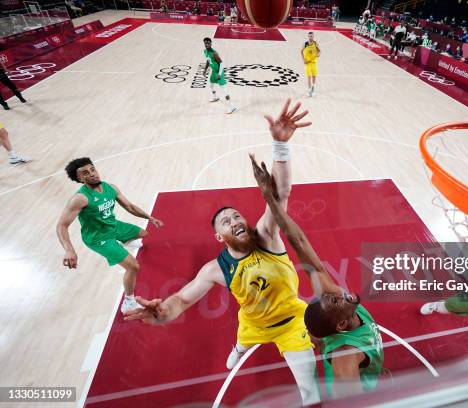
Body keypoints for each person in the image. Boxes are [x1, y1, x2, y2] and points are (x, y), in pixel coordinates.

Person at [124, 100, 321, 406]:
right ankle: (239, 349)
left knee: (312, 395)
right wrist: (162, 313)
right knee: (242, 344)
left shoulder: (267, 236)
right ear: (220, 236)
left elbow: (280, 195)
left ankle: (252, 350)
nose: (236, 221)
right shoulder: (215, 269)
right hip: (253, 324)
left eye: (237, 216)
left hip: (292, 322)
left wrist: (280, 146)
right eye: (226, 222)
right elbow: (181, 300)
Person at [249, 155, 384, 399]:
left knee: (319, 337)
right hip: (360, 390)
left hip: (342, 345)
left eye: (332, 296)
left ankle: (324, 344)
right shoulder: (345, 357)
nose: (337, 293)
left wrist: (269, 198)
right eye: (335, 301)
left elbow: (299, 241)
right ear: (341, 325)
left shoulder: (340, 306)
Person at [56, 158, 164, 314]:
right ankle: (128, 302)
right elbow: (61, 225)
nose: (92, 174)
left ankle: (122, 243)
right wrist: (69, 250)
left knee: (143, 233)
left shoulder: (110, 188)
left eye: (92, 169)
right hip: (98, 238)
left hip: (113, 226)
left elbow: (129, 206)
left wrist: (149, 217)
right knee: (133, 266)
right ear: (79, 179)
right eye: (86, 173)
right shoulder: (80, 199)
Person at [203, 37, 236, 114]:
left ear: (211, 43)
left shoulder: (214, 53)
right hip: (214, 72)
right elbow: (208, 60)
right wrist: (205, 69)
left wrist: (219, 74)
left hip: (219, 72)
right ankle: (215, 97)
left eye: (208, 43)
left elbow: (221, 63)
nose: (207, 44)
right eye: (205, 43)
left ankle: (232, 107)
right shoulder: (205, 51)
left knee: (224, 91)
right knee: (211, 86)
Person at [302, 32, 320, 97]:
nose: (310, 37)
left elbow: (319, 50)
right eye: (309, 36)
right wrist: (303, 59)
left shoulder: (315, 43)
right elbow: (301, 51)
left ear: (313, 36)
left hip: (314, 63)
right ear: (308, 36)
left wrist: (318, 54)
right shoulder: (305, 44)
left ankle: (313, 90)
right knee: (309, 77)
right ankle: (309, 91)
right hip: (308, 63)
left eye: (312, 36)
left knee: (314, 77)